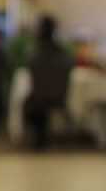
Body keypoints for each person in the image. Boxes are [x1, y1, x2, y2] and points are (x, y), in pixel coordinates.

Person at [23, 15, 73, 150]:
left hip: (37, 97)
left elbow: (27, 68)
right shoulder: (62, 53)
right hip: (59, 96)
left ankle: (36, 135)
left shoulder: (34, 52)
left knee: (30, 102)